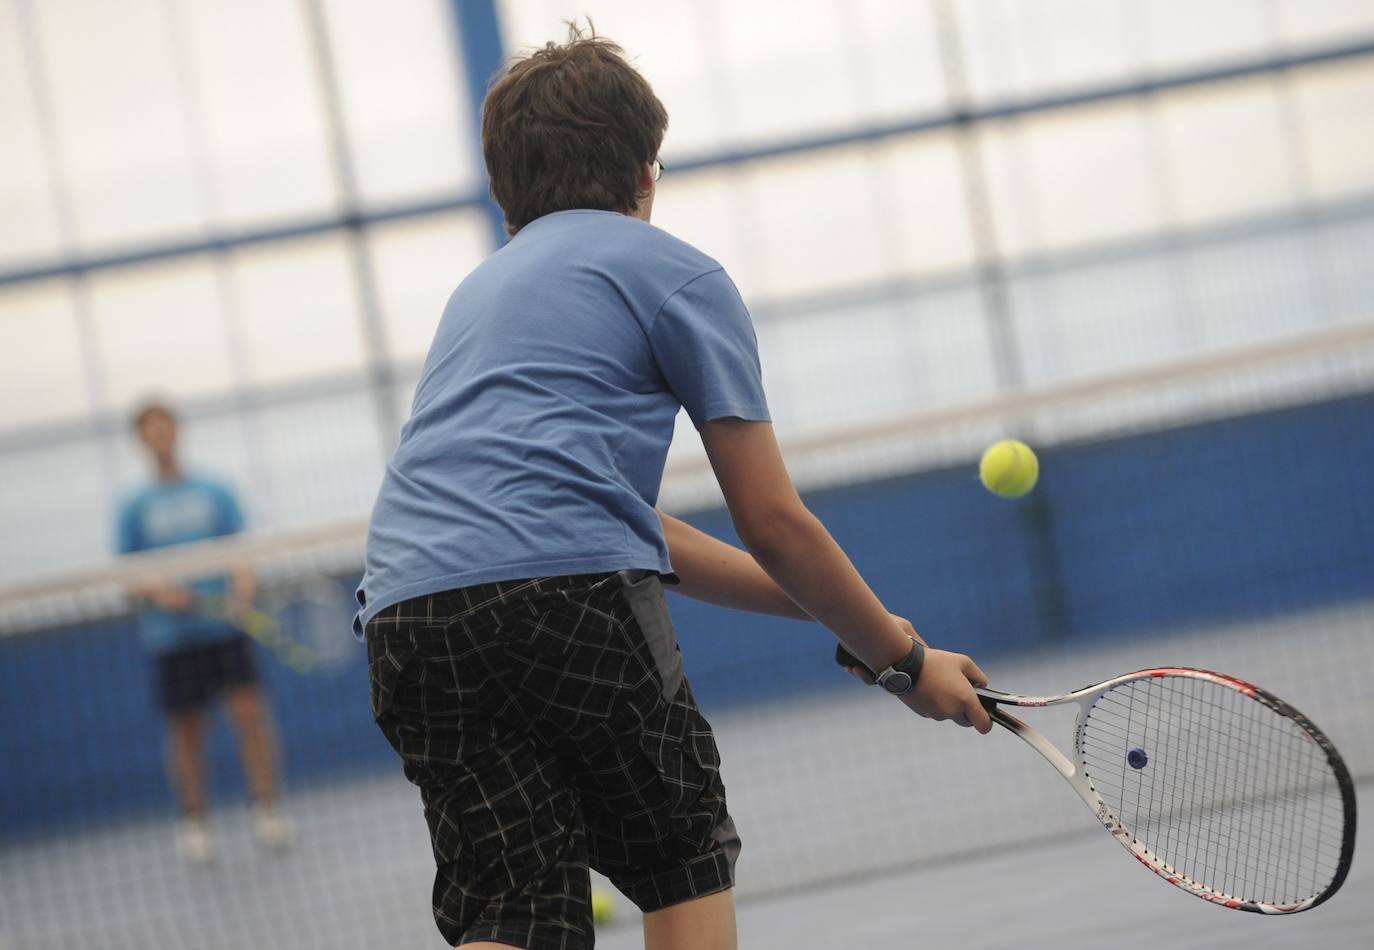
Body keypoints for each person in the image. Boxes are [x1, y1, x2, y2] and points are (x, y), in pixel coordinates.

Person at [357, 25, 993, 950]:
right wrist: (901, 662)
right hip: (564, 604)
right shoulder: (674, 273)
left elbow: (619, 526)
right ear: (646, 173)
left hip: (409, 620)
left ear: (504, 194)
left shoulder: (479, 297)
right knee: (679, 850)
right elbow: (773, 523)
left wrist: (848, 622)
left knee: (510, 907)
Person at [117, 400, 289, 863]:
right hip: (171, 638)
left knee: (250, 715)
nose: (159, 437)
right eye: (149, 431)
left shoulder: (215, 489)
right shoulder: (133, 505)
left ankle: (267, 811)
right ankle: (195, 822)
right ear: (141, 440)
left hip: (224, 627)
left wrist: (243, 583)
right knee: (186, 730)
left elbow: (240, 549)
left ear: (176, 430)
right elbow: (128, 574)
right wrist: (159, 592)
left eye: (165, 427)